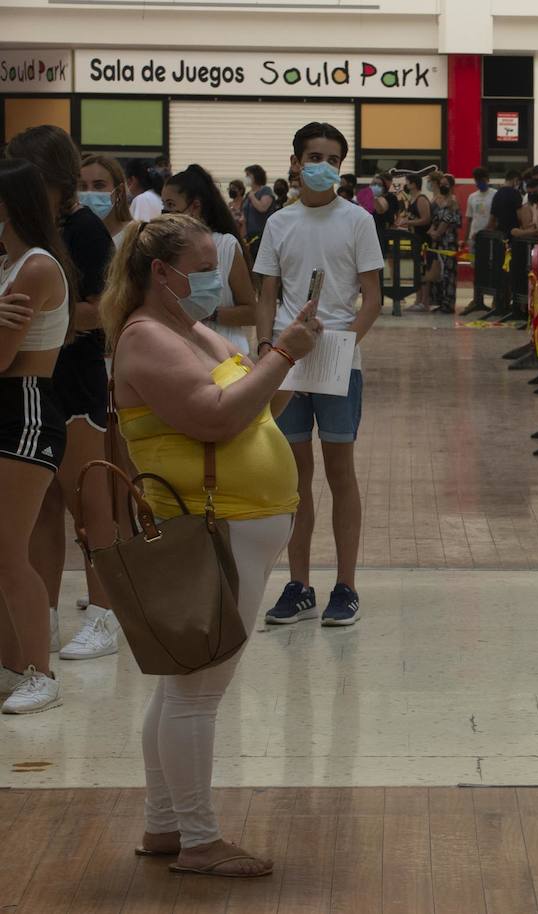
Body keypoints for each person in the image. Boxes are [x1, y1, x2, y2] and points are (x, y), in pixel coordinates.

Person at [104, 212, 319, 876]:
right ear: (160, 274)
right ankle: (198, 841)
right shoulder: (146, 339)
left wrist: (283, 361)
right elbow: (217, 416)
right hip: (209, 526)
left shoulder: (187, 328)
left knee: (181, 689)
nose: (213, 282)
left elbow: (252, 404)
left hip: (238, 524)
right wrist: (281, 353)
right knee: (198, 691)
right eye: (201, 271)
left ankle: (166, 826)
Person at [253, 122, 384, 624]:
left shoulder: (357, 221)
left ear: (341, 165)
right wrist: (268, 348)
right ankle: (299, 584)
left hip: (338, 363)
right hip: (285, 364)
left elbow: (371, 297)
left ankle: (346, 586)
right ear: (295, 161)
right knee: (294, 477)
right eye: (312, 155)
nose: (321, 164)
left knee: (340, 472)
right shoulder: (280, 223)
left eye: (331, 157)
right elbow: (267, 295)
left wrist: (344, 342)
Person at [7, 125, 120, 662]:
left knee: (86, 495)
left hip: (74, 377)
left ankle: (104, 611)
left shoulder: (85, 230)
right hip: (36, 382)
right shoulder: (27, 233)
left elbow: (106, 304)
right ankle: (44, 612)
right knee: (43, 506)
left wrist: (50, 317)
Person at [0, 159, 75, 713]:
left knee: (9, 552)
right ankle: (11, 665)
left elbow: (2, 359)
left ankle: (40, 674)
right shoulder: (7, 264)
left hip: (23, 408)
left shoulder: (34, 267)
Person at [162, 164, 260, 365]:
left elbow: (251, 312)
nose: (165, 213)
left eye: (171, 205)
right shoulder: (163, 248)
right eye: (164, 205)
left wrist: (208, 313)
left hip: (226, 357)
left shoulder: (225, 246)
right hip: (181, 355)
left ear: (195, 206)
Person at [79, 154, 137, 251]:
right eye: (83, 187)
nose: (89, 193)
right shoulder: (73, 236)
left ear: (119, 192)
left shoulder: (135, 237)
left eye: (99, 186)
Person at [461, 168, 497, 313]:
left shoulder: (495, 195)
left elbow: (495, 217)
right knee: (476, 269)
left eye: (482, 180)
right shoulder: (472, 197)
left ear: (487, 179)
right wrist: (465, 238)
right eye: (477, 181)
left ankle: (495, 299)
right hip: (474, 238)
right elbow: (469, 219)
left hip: (490, 238)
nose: (479, 183)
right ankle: (478, 299)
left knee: (492, 269)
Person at [427, 177, 461, 314]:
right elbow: (434, 218)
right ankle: (441, 302)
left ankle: (448, 304)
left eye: (445, 185)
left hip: (449, 243)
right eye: (441, 184)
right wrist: (432, 230)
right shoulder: (438, 200)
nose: (442, 187)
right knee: (441, 273)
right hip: (438, 243)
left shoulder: (453, 202)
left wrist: (437, 232)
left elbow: (447, 220)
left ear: (451, 186)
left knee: (449, 274)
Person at [400, 175, 432, 312]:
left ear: (413, 184)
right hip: (415, 239)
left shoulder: (421, 199)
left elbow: (426, 219)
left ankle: (424, 301)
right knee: (417, 270)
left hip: (423, 240)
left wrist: (409, 222)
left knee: (423, 270)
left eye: (407, 182)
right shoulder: (411, 199)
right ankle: (418, 299)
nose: (405, 185)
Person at [242, 165, 276, 264]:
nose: (246, 178)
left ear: (256, 176)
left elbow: (262, 208)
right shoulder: (248, 194)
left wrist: (252, 197)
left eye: (248, 175)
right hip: (249, 236)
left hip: (262, 235)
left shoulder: (265, 190)